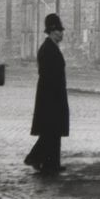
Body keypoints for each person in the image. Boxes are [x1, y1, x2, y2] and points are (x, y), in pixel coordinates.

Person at [24, 12, 69, 174]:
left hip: (53, 95)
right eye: (58, 30)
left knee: (53, 131)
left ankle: (50, 163)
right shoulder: (47, 49)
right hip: (50, 97)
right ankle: (37, 159)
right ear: (51, 31)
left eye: (61, 30)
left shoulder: (51, 48)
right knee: (51, 131)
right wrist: (54, 98)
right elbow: (48, 75)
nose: (61, 33)